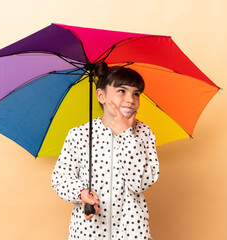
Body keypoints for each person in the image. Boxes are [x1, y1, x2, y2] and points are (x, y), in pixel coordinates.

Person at [52, 62, 159, 240]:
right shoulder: (80, 134)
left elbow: (140, 183)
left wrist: (126, 135)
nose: (130, 100)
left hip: (131, 232)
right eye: (122, 91)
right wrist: (81, 192)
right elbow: (60, 178)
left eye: (136, 94)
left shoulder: (143, 133)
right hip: (89, 232)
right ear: (100, 95)